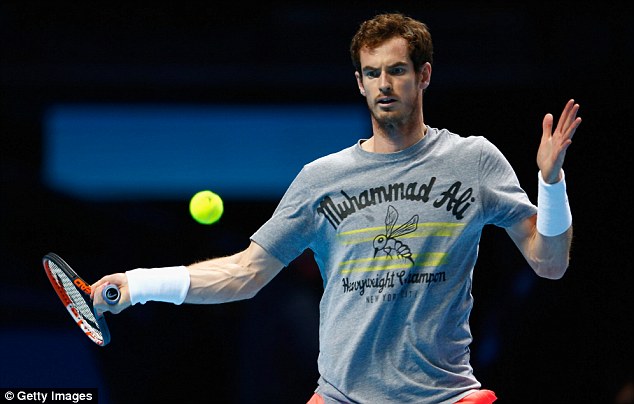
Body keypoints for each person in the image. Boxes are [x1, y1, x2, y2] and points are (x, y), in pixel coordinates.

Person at [92, 12, 581, 404]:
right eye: (372, 73)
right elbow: (245, 272)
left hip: (446, 396)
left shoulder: (472, 160)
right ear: (359, 83)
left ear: (424, 75)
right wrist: (139, 283)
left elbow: (551, 263)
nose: (384, 84)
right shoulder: (321, 180)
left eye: (396, 70)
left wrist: (551, 180)